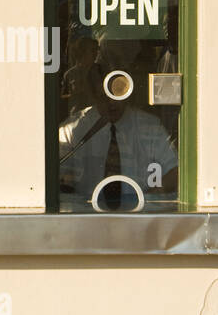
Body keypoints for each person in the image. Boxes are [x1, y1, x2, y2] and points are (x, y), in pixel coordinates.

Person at [58, 64, 178, 209]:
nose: (111, 102)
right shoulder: (72, 129)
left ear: (128, 93)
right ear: (93, 95)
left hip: (141, 215)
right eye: (103, 96)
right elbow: (55, 176)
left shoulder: (150, 127)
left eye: (117, 93)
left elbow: (174, 172)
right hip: (87, 215)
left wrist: (148, 199)